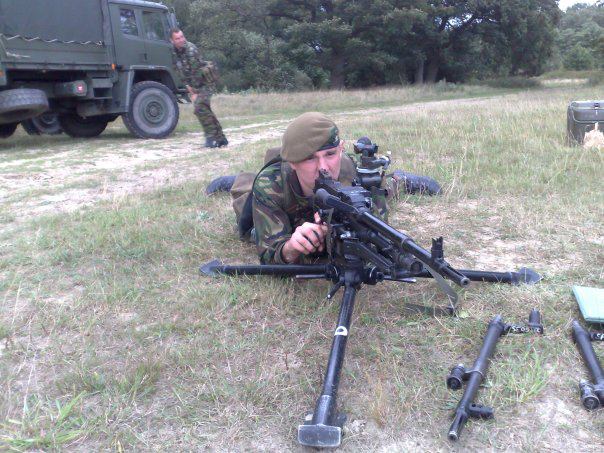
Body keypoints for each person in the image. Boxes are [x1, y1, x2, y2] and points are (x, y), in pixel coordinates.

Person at [207, 112, 441, 264]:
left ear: (341, 149)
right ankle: (238, 180)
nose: (323, 167)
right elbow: (269, 253)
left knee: (383, 189)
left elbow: (378, 227)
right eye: (310, 158)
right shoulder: (272, 185)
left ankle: (399, 180)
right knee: (249, 213)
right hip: (276, 195)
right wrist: (290, 248)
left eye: (330, 154)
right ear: (293, 162)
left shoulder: (353, 173)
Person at [170, 28, 228, 148]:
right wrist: (188, 86)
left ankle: (211, 138)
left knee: (200, 107)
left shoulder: (191, 49)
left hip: (206, 82)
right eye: (177, 38)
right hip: (194, 84)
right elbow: (179, 70)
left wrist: (195, 92)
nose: (181, 40)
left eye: (182, 37)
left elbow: (196, 73)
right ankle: (221, 139)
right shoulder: (174, 52)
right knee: (204, 109)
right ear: (172, 40)